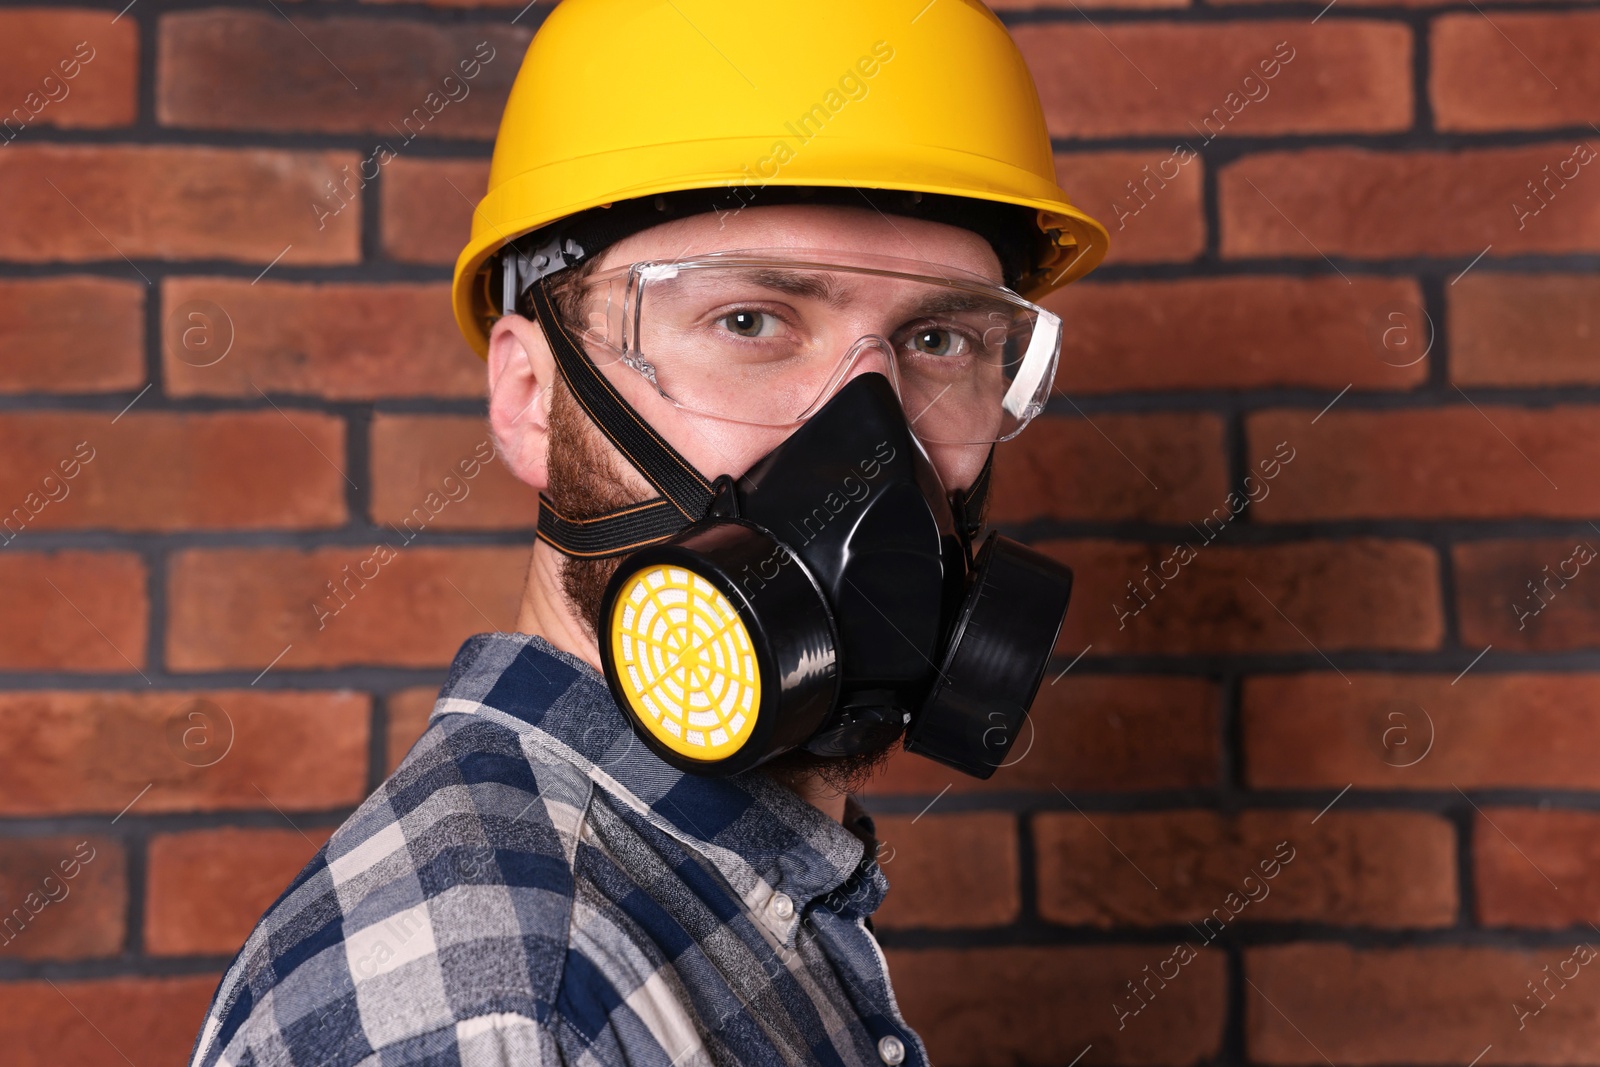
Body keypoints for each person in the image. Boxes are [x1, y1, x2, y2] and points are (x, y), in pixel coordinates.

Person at [187, 2, 1107, 1064]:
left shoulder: (696, 904)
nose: (872, 438)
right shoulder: (507, 1002)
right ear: (533, 395)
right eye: (749, 321)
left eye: (940, 337)